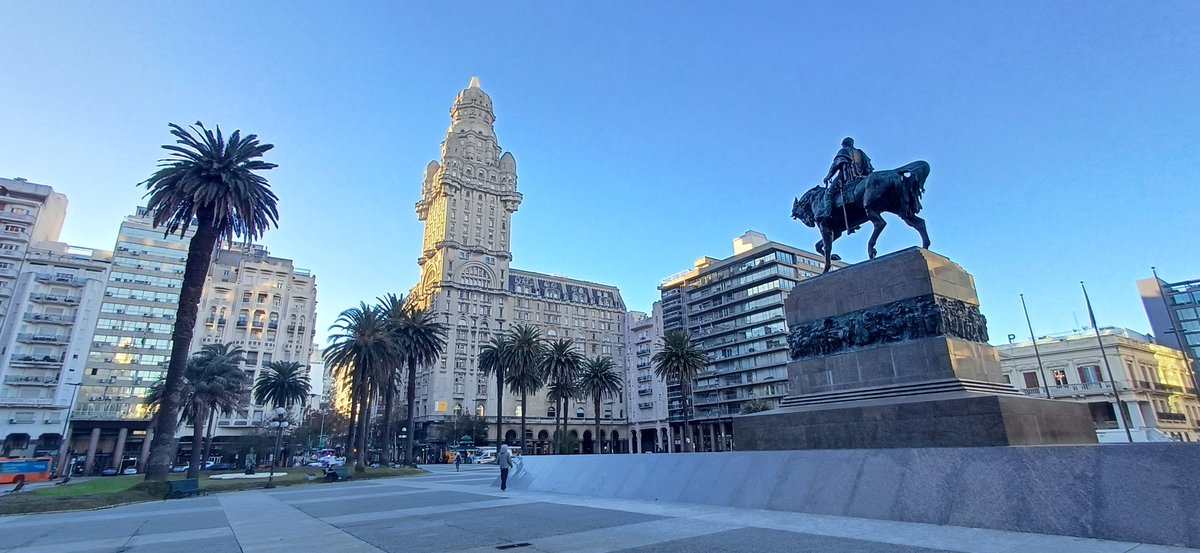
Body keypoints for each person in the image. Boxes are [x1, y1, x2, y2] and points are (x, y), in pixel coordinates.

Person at [821, 137, 874, 231]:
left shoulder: (844, 151)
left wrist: (828, 177)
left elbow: (835, 165)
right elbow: (869, 168)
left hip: (848, 178)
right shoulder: (861, 153)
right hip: (863, 178)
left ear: (844, 144)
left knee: (828, 194)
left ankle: (827, 214)